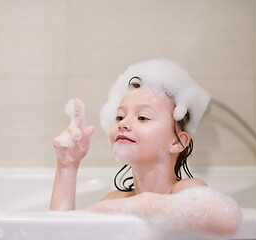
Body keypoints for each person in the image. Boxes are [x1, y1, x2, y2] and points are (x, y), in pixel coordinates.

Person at [50, 59, 241, 236]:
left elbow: (226, 219)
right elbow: (61, 236)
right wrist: (67, 165)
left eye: (142, 117)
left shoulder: (185, 190)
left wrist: (138, 205)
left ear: (178, 142)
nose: (123, 124)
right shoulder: (115, 199)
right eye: (119, 117)